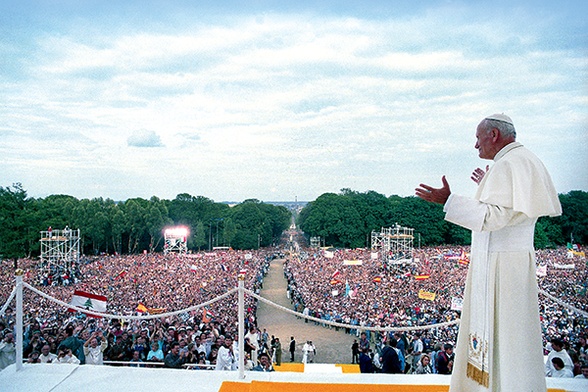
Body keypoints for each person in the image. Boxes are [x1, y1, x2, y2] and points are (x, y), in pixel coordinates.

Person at [416, 113, 562, 391]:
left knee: (504, 337)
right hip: (511, 260)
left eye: (477, 138)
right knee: (510, 341)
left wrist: (447, 201)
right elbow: (509, 210)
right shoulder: (520, 161)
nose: (476, 146)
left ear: (493, 135)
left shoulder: (508, 164)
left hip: (501, 265)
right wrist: (486, 183)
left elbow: (493, 218)